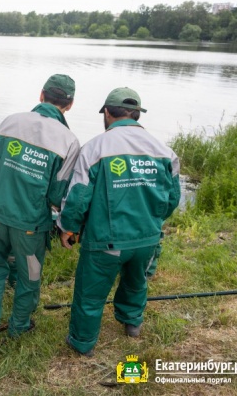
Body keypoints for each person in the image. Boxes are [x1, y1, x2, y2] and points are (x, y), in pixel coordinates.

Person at [57, 87, 181, 357]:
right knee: (136, 281)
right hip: (148, 238)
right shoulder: (164, 151)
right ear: (137, 114)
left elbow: (78, 197)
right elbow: (172, 200)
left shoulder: (95, 148)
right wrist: (150, 222)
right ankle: (132, 323)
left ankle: (82, 343)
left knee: (90, 294)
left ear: (107, 113)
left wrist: (68, 227)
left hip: (105, 241)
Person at [0, 74, 81, 346]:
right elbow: (59, 195)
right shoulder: (68, 141)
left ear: (41, 95)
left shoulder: (10, 122)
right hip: (31, 227)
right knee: (29, 277)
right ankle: (19, 327)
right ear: (69, 105)